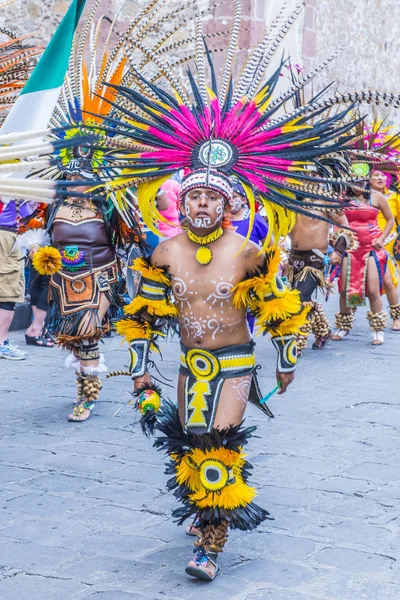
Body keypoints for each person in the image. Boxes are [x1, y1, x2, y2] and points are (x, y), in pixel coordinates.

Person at [332, 174, 394, 345]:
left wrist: (381, 239)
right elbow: (335, 220)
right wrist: (337, 241)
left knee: (373, 290)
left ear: (365, 181)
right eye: (352, 182)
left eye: (359, 182)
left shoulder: (376, 196)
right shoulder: (342, 199)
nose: (356, 186)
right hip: (349, 248)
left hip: (371, 248)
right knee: (345, 289)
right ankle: (344, 326)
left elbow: (390, 219)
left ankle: (378, 329)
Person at [288, 200, 355, 352]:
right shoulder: (287, 199)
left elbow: (345, 227)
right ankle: (323, 332)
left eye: (310, 174)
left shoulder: (326, 201)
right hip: (293, 259)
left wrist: (338, 251)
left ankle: (296, 343)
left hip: (315, 259)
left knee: (301, 298)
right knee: (298, 298)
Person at [0, 200, 30, 360]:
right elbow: (25, 212)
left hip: (7, 234)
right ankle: (1, 343)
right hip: (6, 235)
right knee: (7, 292)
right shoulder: (12, 181)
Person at [370, 170, 400, 330]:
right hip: (365, 245)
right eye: (376, 175)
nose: (380, 178)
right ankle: (345, 321)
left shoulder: (394, 197)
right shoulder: (363, 197)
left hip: (388, 245)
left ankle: (397, 317)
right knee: (354, 282)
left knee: (389, 282)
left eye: (383, 175)